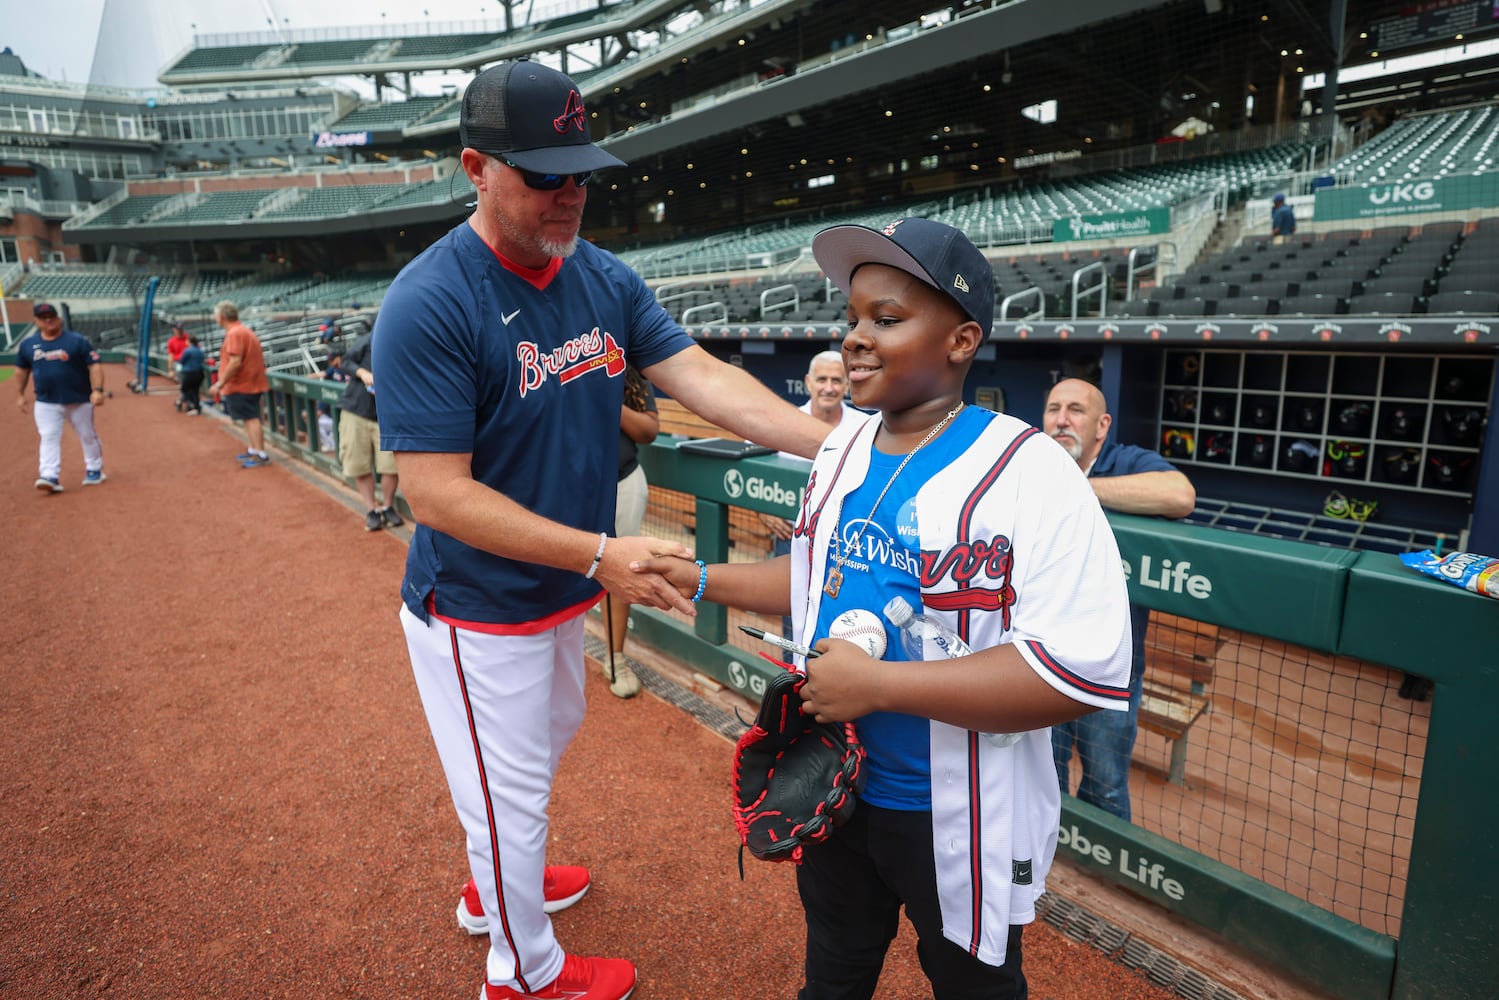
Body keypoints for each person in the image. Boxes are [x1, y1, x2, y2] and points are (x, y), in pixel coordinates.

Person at [370, 58, 832, 1000]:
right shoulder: (431, 300)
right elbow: (437, 495)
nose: (570, 194)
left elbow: (701, 378)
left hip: (558, 589)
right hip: (476, 603)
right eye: (544, 175)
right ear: (476, 169)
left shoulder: (601, 275)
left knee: (537, 754)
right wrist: (598, 553)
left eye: (580, 171)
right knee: (510, 792)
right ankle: (524, 970)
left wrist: (839, 448)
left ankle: (495, 887)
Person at [636, 218, 1133, 999]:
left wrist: (884, 688)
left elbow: (1075, 673)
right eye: (855, 316)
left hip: (958, 809)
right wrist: (698, 577)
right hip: (839, 778)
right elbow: (809, 577)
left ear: (961, 339)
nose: (855, 338)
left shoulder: (1029, 470)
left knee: (974, 985)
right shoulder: (839, 447)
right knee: (833, 971)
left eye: (888, 319)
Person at [1043, 377, 1196, 822]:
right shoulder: (1034, 460)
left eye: (1075, 410)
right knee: (1042, 781)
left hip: (1109, 666)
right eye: (1053, 409)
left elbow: (1179, 495)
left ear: (1101, 425)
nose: (1061, 420)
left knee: (1106, 789)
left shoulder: (1124, 460)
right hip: (1039, 658)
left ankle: (1106, 888)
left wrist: (1079, 487)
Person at [760, 350, 862, 635]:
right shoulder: (786, 421)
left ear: (846, 385)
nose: (828, 387)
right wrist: (761, 508)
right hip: (792, 535)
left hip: (845, 545)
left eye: (836, 380)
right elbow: (754, 466)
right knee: (794, 616)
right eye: (821, 379)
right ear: (807, 382)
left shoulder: (865, 426)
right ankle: (794, 676)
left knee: (842, 618)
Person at [601, 364, 659, 699]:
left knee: (622, 570)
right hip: (568, 486)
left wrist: (606, 400)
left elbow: (649, 430)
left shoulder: (622, 371)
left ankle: (615, 657)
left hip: (622, 480)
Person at [16, 301, 108, 491]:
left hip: (79, 399)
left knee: (87, 435)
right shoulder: (28, 344)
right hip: (46, 401)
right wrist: (19, 394)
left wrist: (98, 390)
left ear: (58, 318)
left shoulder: (77, 341)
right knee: (48, 436)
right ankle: (49, 475)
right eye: (43, 318)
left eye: (51, 316)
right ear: (36, 321)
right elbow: (22, 370)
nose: (48, 320)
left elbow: (95, 365)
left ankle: (94, 468)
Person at [335, 330, 402, 532]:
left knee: (390, 465)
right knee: (358, 464)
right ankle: (371, 509)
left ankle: (388, 507)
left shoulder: (404, 340)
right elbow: (345, 362)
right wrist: (363, 373)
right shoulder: (369, 339)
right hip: (357, 410)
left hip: (387, 415)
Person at [206, 301, 271, 468]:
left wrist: (219, 384)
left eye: (216, 315)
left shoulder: (235, 333)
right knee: (249, 418)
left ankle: (260, 454)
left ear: (221, 317)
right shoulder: (240, 330)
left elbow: (235, 362)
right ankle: (254, 451)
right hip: (248, 383)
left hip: (244, 385)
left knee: (251, 418)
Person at [319, 343, 351, 453]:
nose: (330, 362)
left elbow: (348, 383)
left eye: (332, 359)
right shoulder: (334, 369)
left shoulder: (348, 368)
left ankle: (331, 444)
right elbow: (322, 374)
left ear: (338, 358)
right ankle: (331, 443)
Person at [177, 335, 206, 415]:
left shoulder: (188, 351)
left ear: (189, 342)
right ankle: (196, 407)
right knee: (195, 390)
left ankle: (191, 404)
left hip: (189, 374)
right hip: (199, 374)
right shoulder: (200, 350)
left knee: (184, 389)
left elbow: (181, 361)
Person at [166, 324, 190, 409]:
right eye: (177, 329)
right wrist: (171, 369)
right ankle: (186, 403)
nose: (179, 331)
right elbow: (171, 356)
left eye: (181, 329)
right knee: (184, 384)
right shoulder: (171, 341)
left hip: (190, 364)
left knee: (188, 385)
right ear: (174, 330)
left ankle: (180, 401)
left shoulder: (189, 338)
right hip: (179, 364)